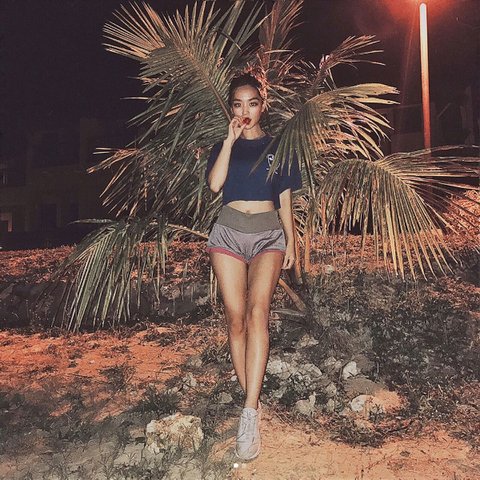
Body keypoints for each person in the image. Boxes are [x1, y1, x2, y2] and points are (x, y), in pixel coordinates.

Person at [205, 73, 302, 461]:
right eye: (238, 103)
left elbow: (284, 199)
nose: (245, 110)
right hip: (227, 234)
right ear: (232, 108)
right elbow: (215, 186)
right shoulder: (223, 145)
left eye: (252, 103)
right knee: (235, 320)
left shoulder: (279, 147)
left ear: (263, 105)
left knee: (258, 312)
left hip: (267, 236)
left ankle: (247, 414)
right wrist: (229, 142)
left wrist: (292, 240)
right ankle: (254, 403)